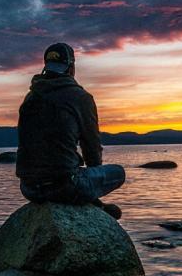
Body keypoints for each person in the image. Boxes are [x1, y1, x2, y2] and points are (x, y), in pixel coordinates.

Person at [16, 42, 125, 219]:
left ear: (46, 67)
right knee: (118, 172)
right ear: (71, 68)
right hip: (65, 186)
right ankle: (93, 204)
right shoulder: (80, 98)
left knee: (71, 169)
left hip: (29, 188)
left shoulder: (30, 98)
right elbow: (91, 146)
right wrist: (93, 179)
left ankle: (92, 202)